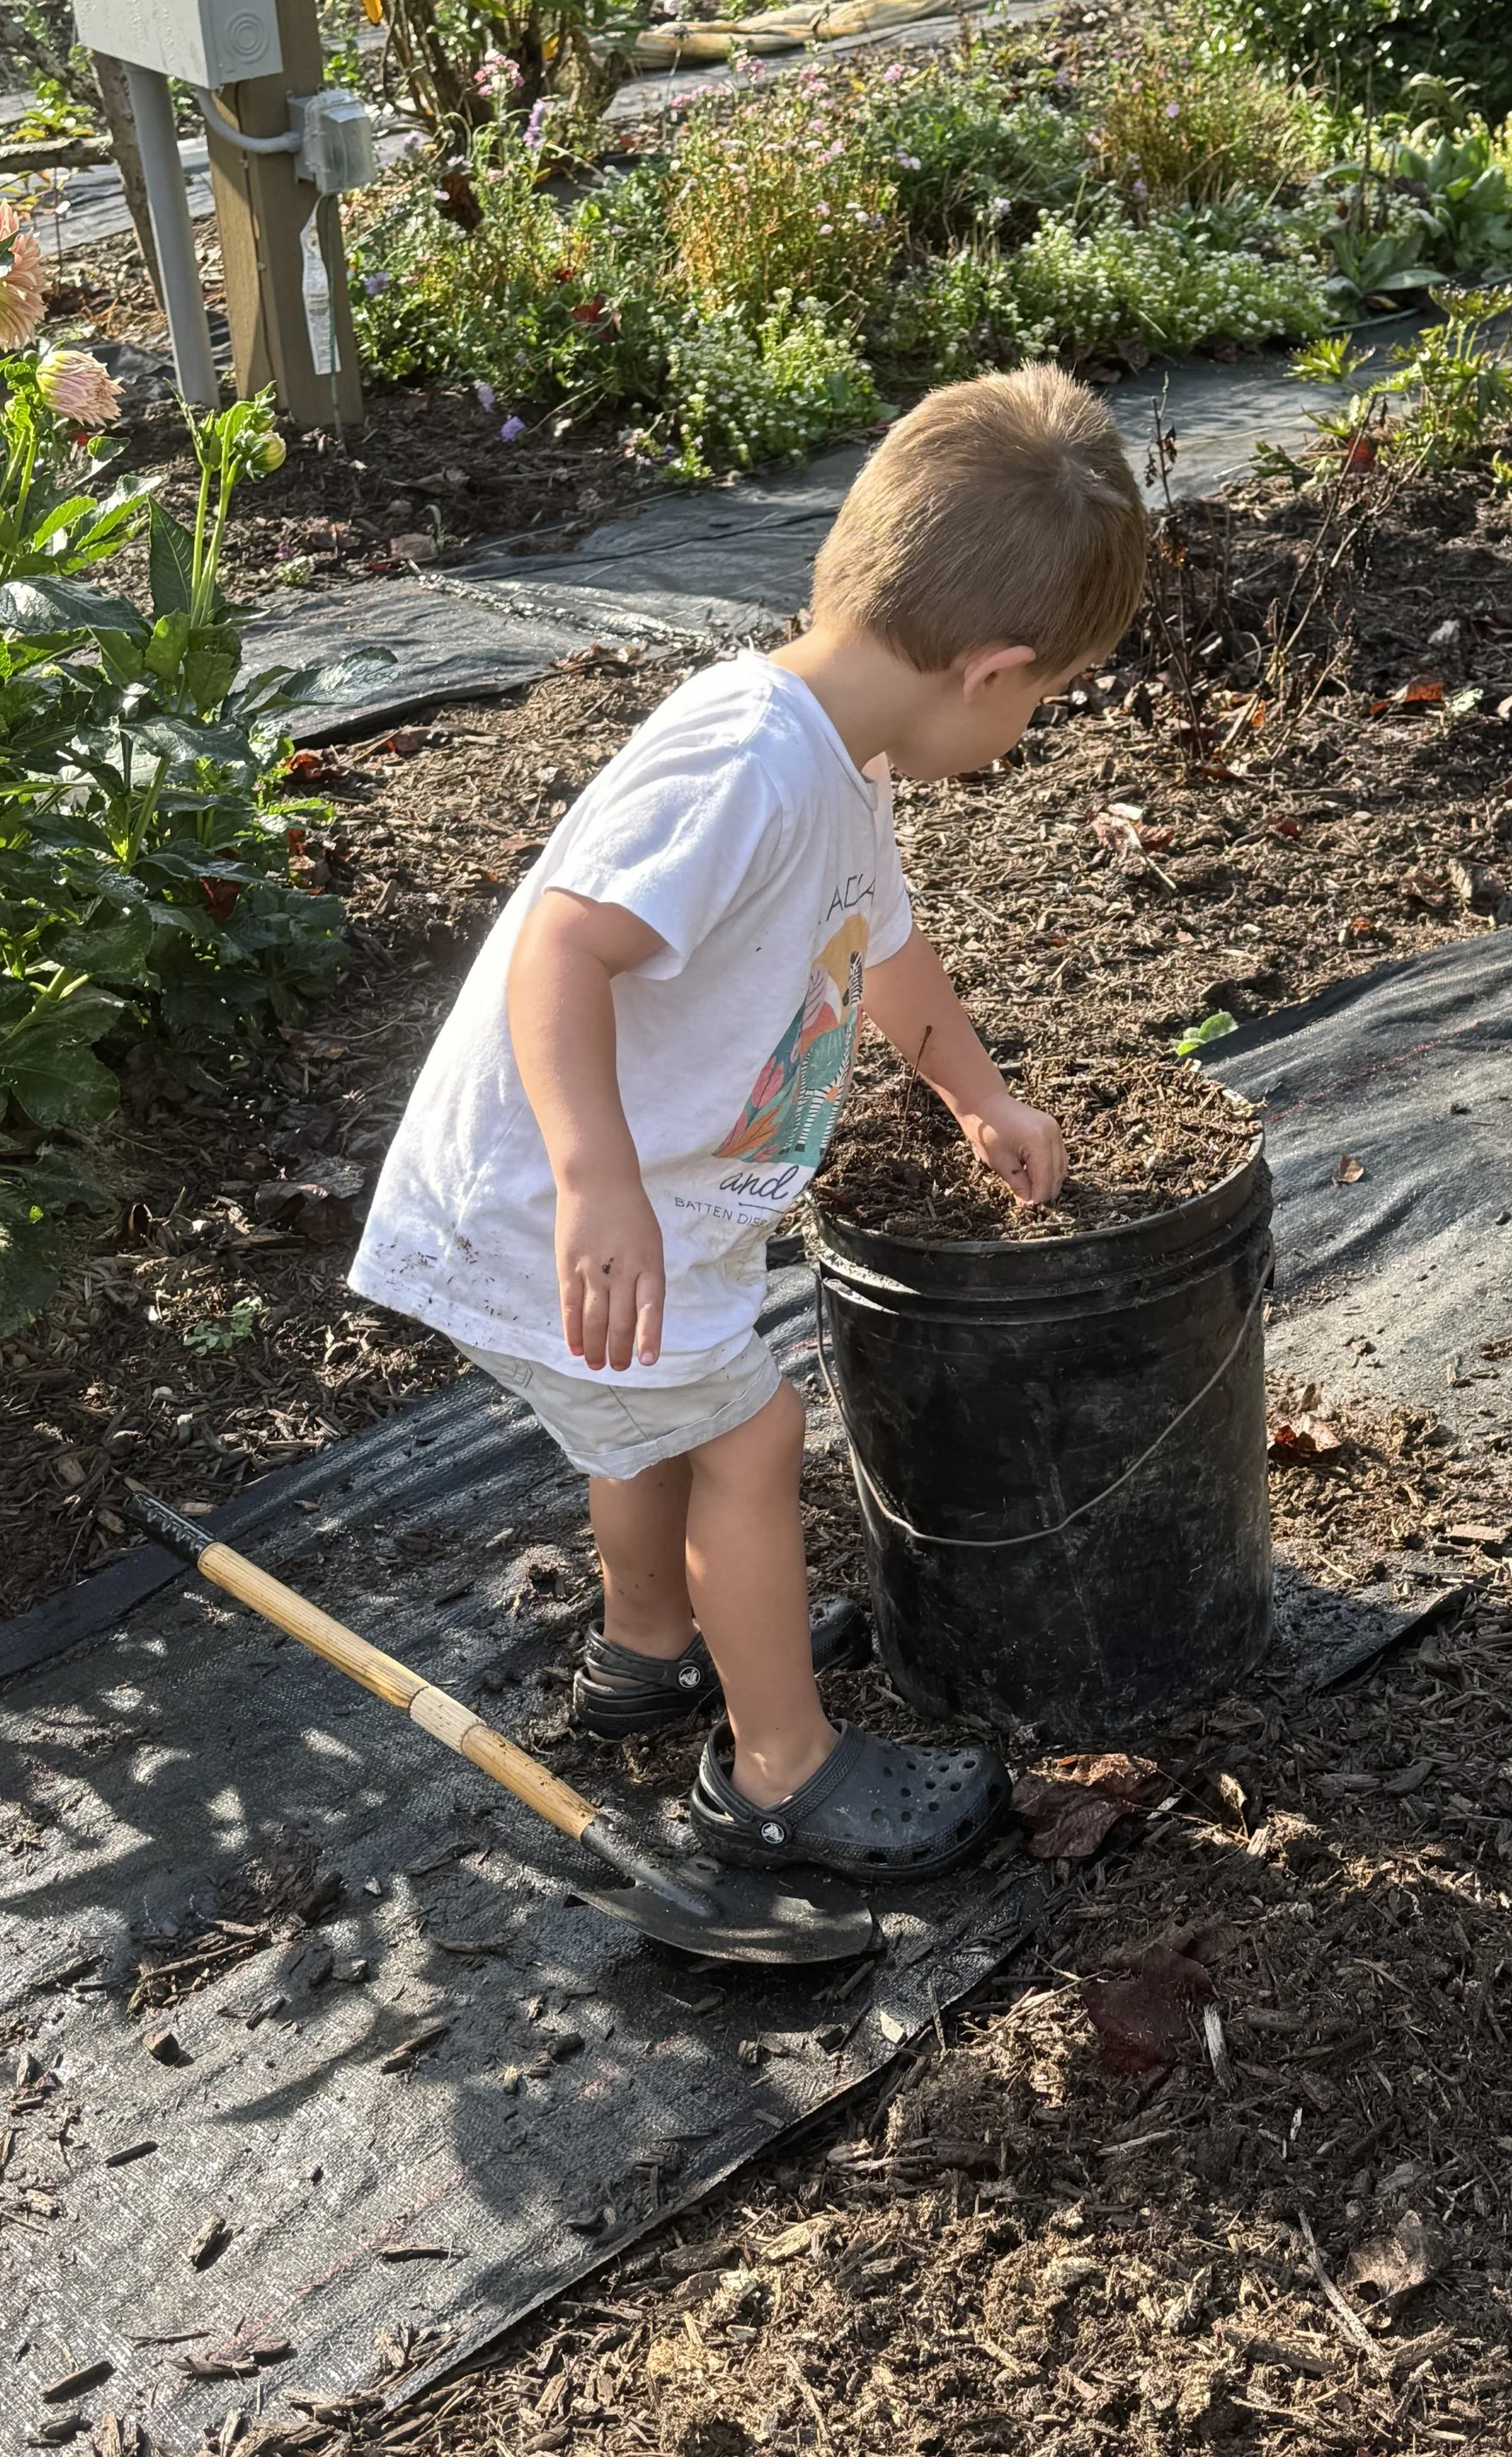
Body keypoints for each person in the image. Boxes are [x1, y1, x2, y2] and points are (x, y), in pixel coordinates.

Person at [349, 365, 1147, 1881]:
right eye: (1047, 699)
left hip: (645, 1204)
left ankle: (651, 1649)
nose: (1032, 725)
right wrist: (594, 1180)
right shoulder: (742, 764)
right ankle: (781, 1772)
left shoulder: (838, 756)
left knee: (653, 1415)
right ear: (992, 668)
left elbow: (887, 949)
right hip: (552, 1206)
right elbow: (562, 946)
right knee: (746, 1429)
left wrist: (979, 1092)